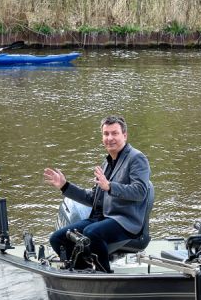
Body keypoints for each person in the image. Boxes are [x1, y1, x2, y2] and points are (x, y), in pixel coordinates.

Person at [44, 115, 152, 273]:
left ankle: (104, 275)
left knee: (91, 233)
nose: (110, 138)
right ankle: (83, 272)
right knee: (57, 238)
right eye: (106, 134)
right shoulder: (107, 162)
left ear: (124, 135)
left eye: (114, 133)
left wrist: (110, 186)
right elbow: (92, 198)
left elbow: (140, 191)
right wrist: (65, 186)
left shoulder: (137, 158)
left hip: (125, 221)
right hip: (101, 217)